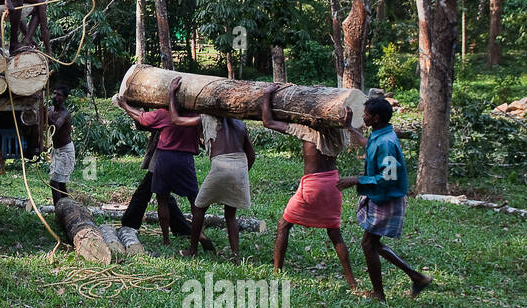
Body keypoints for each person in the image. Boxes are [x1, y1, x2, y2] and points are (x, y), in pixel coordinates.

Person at [260, 83, 360, 290]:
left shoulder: (307, 132)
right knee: (335, 233)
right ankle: (351, 281)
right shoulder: (337, 134)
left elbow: (268, 122)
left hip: (313, 186)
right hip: (333, 184)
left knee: (283, 225)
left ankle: (277, 271)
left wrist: (267, 94)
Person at [338, 96, 432, 301]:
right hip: (380, 196)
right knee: (372, 244)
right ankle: (417, 278)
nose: (363, 117)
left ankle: (379, 294)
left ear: (376, 118)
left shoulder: (387, 142)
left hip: (387, 197)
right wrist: (350, 128)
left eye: (366, 115)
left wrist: (355, 179)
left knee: (368, 244)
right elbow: (369, 145)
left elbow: (388, 177)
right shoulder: (381, 133)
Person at [163, 77, 255, 260]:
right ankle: (236, 255)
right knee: (230, 214)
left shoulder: (206, 118)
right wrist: (242, 173)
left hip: (221, 164)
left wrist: (172, 93)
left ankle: (193, 251)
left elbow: (176, 119)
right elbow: (251, 155)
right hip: (240, 165)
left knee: (199, 209)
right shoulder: (240, 123)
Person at [115, 89, 214, 252]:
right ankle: (198, 237)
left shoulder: (163, 114)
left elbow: (140, 118)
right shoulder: (196, 116)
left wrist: (125, 105)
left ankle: (166, 240)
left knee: (162, 198)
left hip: (165, 158)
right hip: (186, 160)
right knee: (195, 202)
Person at [47, 84, 75, 205]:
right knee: (61, 184)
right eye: (54, 93)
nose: (54, 97)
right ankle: (68, 208)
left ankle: (58, 209)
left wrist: (46, 115)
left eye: (58, 95)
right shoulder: (49, 109)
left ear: (64, 98)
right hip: (56, 150)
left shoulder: (65, 113)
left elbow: (56, 127)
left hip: (66, 151)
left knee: (54, 182)